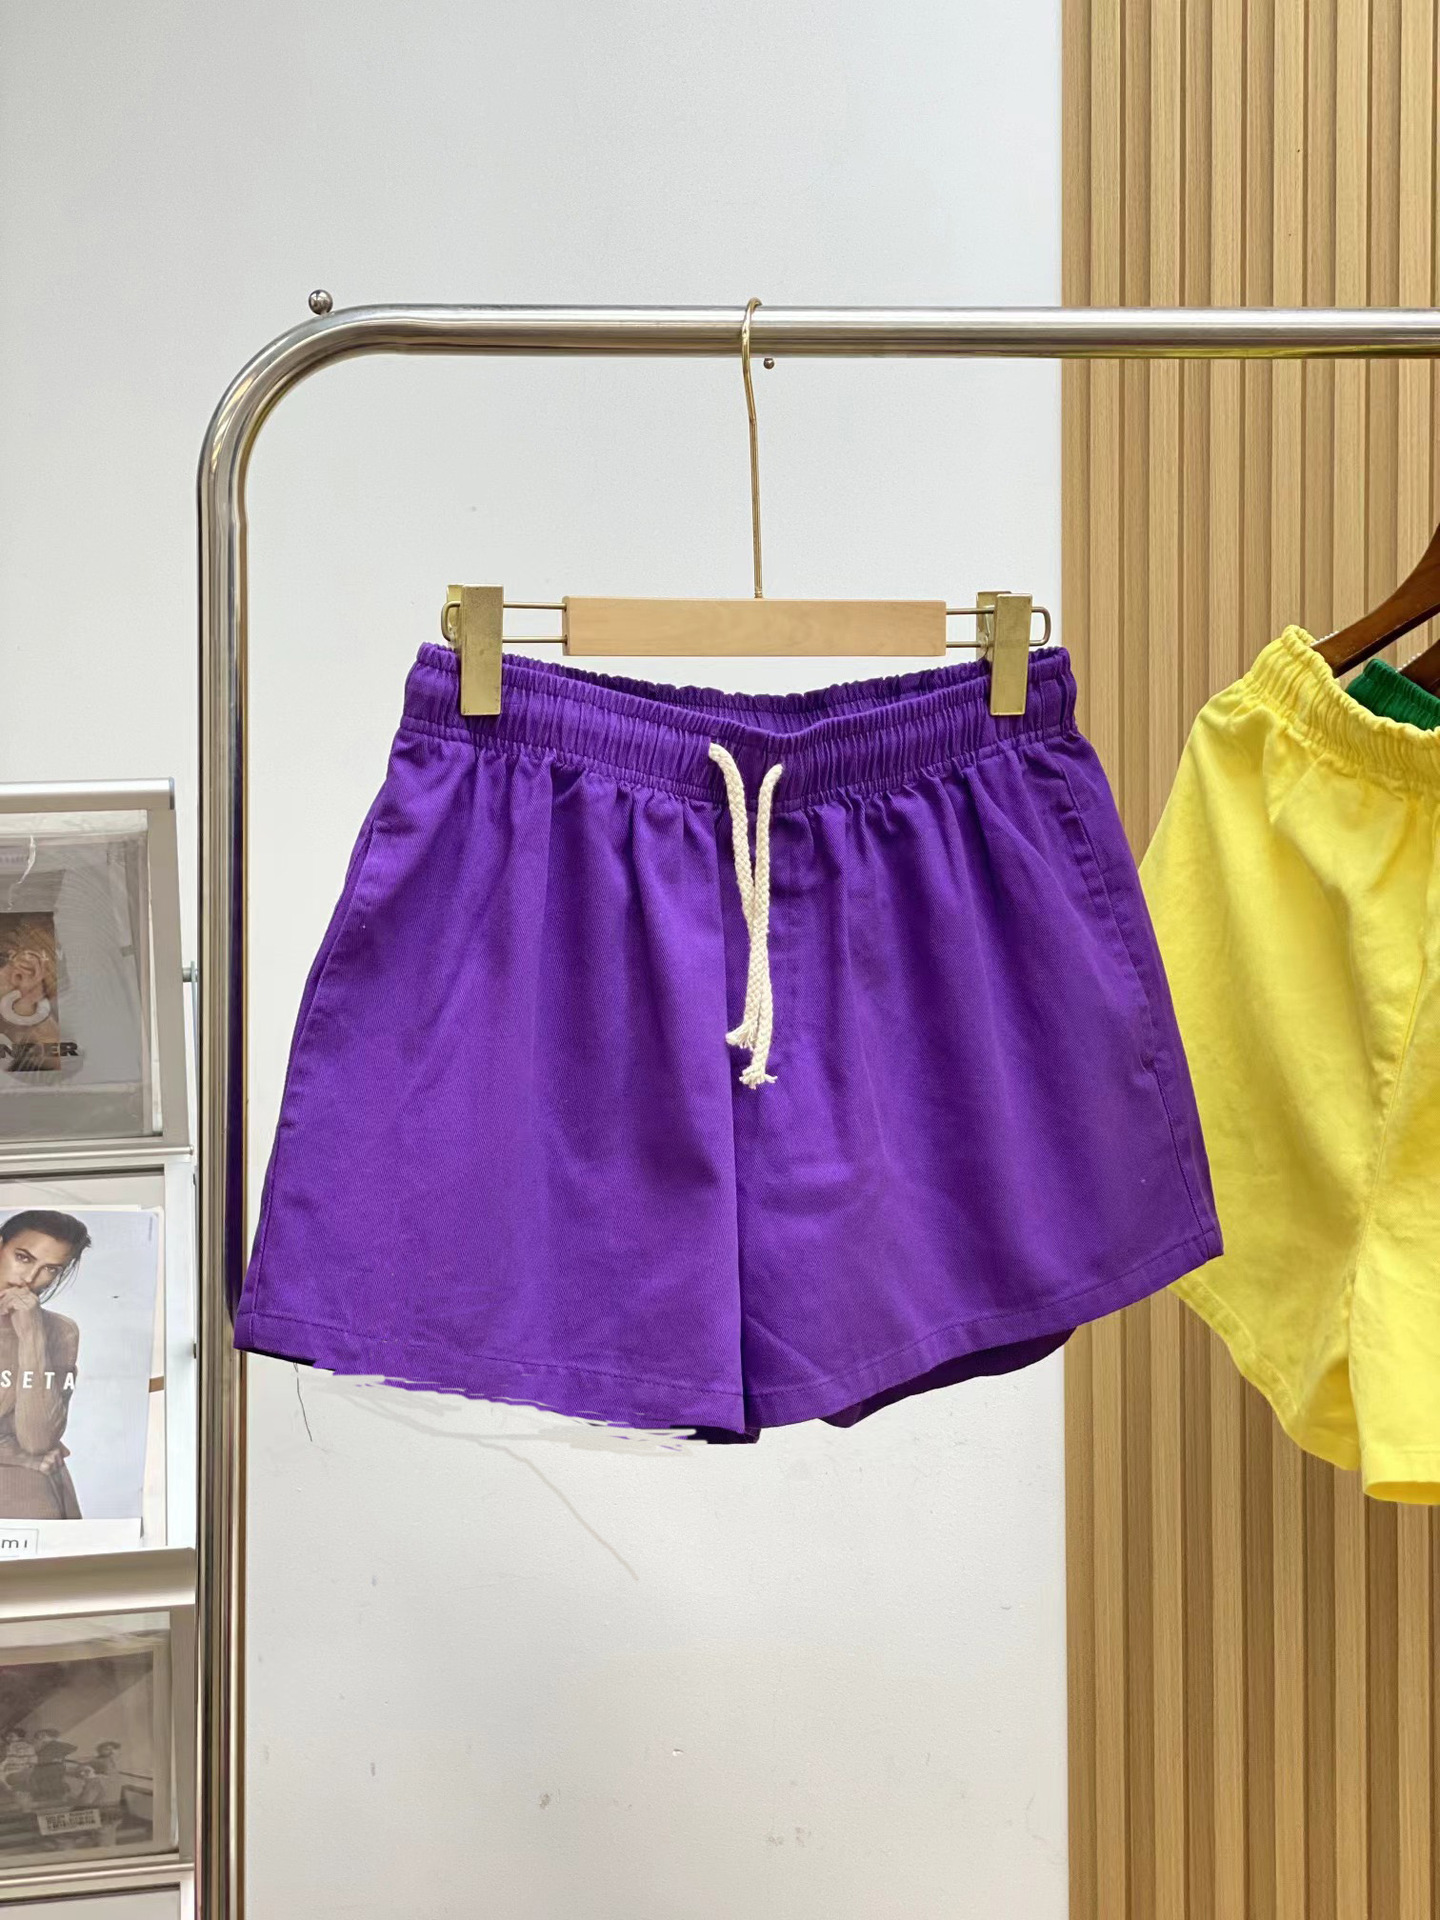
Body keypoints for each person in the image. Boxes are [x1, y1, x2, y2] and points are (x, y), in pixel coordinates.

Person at [0, 1211, 89, 1519]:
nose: (29, 1279)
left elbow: (37, 1441)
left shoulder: (61, 1331)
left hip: (29, 1485)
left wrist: (32, 1335)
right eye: (23, 1258)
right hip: (20, 1472)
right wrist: (12, 1455)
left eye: (50, 1269)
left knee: (33, 1483)